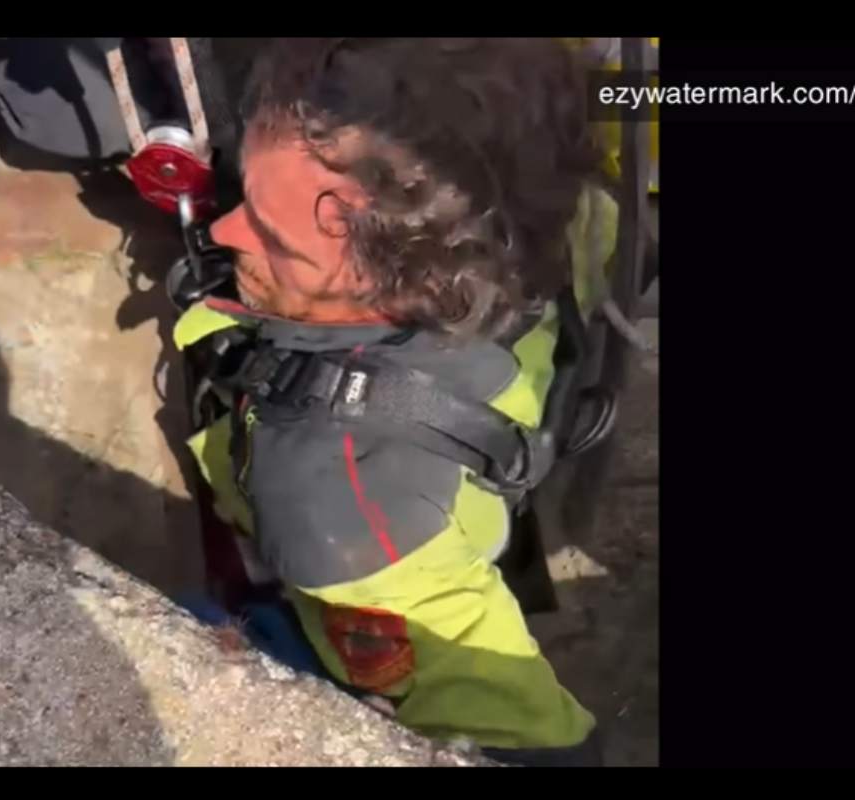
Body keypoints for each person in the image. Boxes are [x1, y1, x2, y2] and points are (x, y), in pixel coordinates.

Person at [172, 37, 618, 767]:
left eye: (274, 239)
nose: (223, 232)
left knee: (192, 629)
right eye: (246, 196)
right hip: (474, 454)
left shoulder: (332, 512)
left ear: (405, 288)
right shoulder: (561, 212)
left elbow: (516, 731)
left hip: (359, 536)